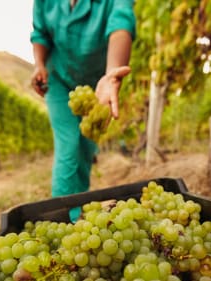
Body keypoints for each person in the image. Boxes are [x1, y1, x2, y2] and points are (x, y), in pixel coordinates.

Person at [30, 0, 136, 222]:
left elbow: (121, 26)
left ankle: (76, 211)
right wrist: (39, 63)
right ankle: (60, 219)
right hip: (57, 78)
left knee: (86, 148)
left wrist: (112, 74)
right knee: (69, 144)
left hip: (98, 84)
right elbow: (40, 34)